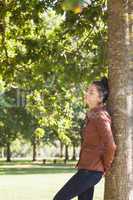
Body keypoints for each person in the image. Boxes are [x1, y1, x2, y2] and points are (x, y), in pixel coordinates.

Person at [53, 76, 117, 200]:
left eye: (91, 92)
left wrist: (105, 167)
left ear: (100, 98)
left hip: (91, 171)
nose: (86, 94)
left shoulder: (100, 116)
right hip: (87, 169)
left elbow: (111, 145)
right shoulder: (92, 115)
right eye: (87, 91)